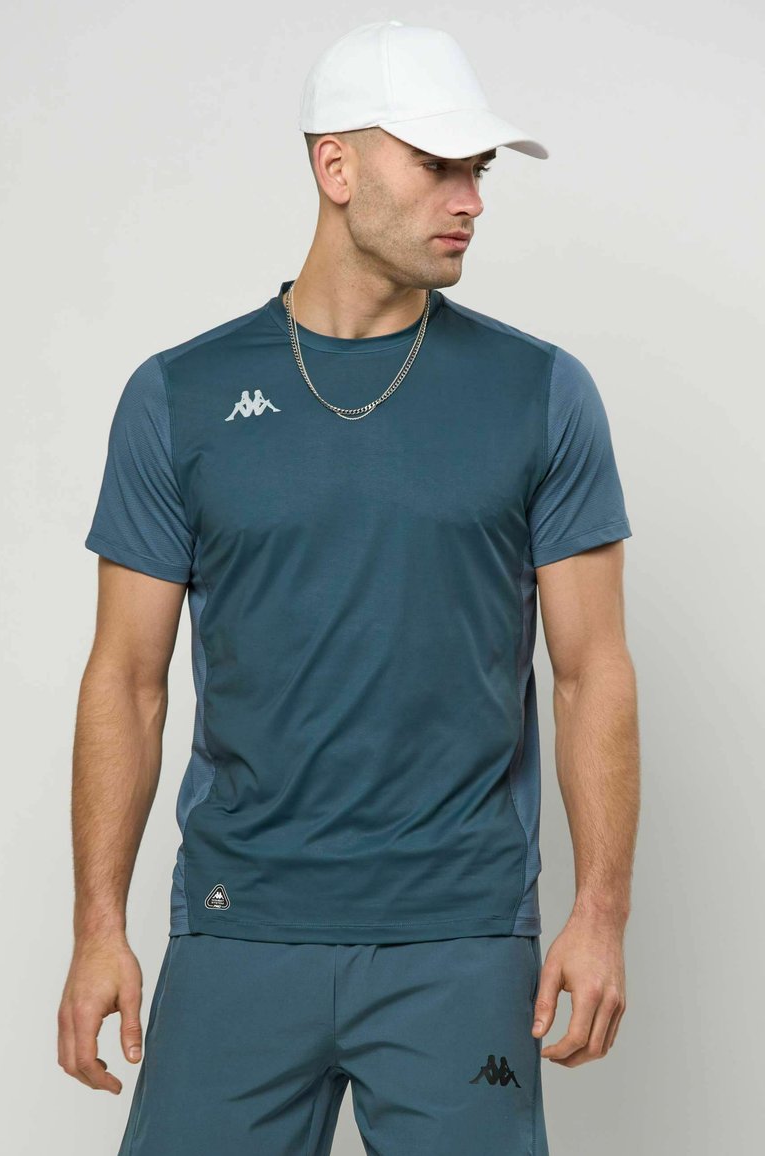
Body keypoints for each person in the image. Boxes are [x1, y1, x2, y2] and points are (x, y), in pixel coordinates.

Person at [57, 20, 639, 1156]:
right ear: (336, 167)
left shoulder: (540, 394)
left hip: (461, 940)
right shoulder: (179, 396)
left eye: (477, 168)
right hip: (238, 928)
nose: (470, 199)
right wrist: (97, 928)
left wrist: (600, 915)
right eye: (437, 164)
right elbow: (125, 679)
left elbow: (590, 672)